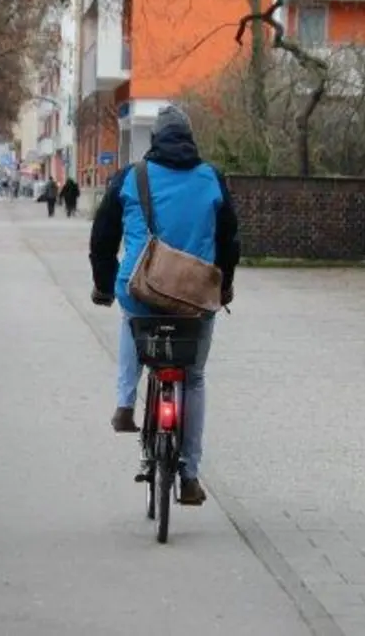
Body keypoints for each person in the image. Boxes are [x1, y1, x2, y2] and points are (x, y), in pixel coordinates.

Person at [88, 105, 240, 507]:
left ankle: (124, 403)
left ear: (154, 139)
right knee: (193, 379)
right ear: (191, 139)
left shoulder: (131, 177)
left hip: (142, 289)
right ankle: (189, 476)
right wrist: (224, 286)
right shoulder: (212, 179)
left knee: (131, 317)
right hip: (194, 298)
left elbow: (102, 238)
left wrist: (104, 286)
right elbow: (230, 241)